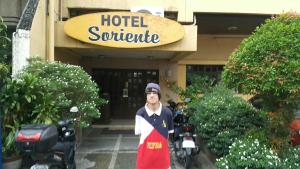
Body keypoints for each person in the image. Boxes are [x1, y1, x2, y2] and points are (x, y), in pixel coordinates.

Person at [135, 82, 174, 169]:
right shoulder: (140, 114)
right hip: (144, 161)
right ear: (146, 96)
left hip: (163, 161)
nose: (151, 95)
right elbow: (140, 137)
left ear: (159, 95)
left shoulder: (168, 113)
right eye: (148, 93)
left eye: (154, 93)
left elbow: (168, 136)